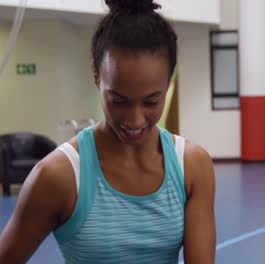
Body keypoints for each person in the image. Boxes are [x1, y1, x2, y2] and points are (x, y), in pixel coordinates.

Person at [0, 0, 216, 263]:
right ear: (96, 77)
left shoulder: (192, 167)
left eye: (151, 102)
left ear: (168, 84)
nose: (135, 121)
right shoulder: (58, 177)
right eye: (118, 100)